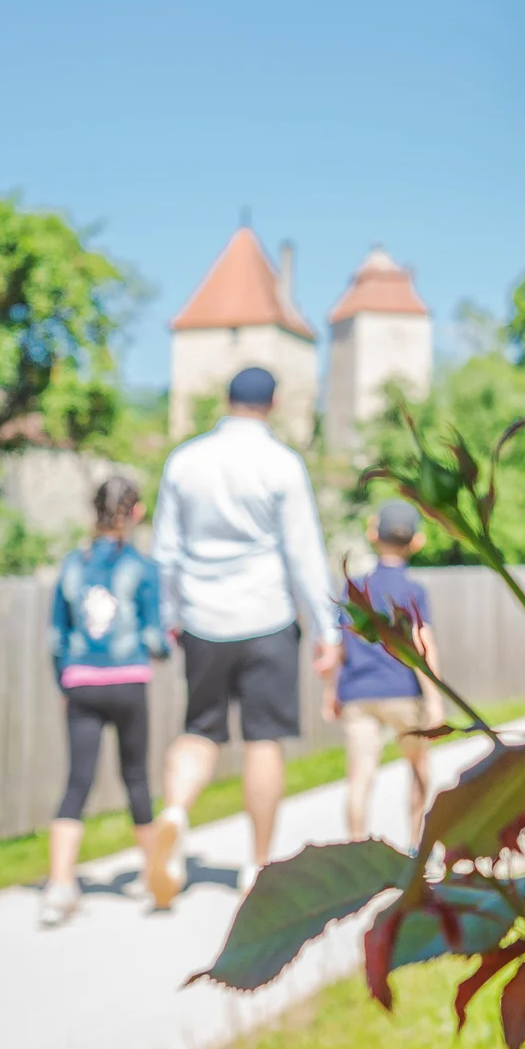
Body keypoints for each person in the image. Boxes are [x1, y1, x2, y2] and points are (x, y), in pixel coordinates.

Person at [143, 366, 339, 905]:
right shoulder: (282, 464)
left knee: (199, 730)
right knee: (262, 741)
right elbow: (304, 552)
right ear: (272, 404)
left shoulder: (185, 461)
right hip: (267, 619)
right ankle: (257, 864)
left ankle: (177, 812)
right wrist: (328, 628)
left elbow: (165, 551)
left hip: (203, 620)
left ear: (226, 401)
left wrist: (169, 613)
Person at [40, 474, 165, 928]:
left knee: (78, 782)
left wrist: (64, 682)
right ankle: (156, 881)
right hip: (128, 681)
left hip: (82, 683)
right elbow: (155, 634)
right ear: (136, 514)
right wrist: (164, 646)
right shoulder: (142, 567)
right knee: (135, 778)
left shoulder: (73, 564)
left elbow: (56, 636)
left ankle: (58, 886)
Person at [324, 500, 446, 841]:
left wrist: (331, 690)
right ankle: (416, 847)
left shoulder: (354, 590)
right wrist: (434, 698)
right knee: (419, 768)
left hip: (358, 694)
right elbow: (423, 645)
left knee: (360, 777)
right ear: (417, 542)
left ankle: (356, 849)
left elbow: (339, 646)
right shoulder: (413, 591)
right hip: (402, 691)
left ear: (372, 533)